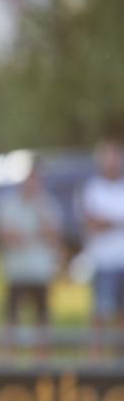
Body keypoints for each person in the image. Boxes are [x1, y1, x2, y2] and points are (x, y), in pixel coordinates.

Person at [0, 159, 62, 358]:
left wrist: (38, 212)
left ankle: (41, 361)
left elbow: (52, 234)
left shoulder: (47, 204)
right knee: (11, 317)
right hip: (16, 271)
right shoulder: (9, 204)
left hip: (40, 271)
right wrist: (33, 235)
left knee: (42, 319)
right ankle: (7, 359)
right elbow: (7, 235)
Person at [82, 139, 124, 357]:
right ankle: (95, 357)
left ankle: (119, 358)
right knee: (100, 313)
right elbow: (93, 222)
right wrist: (117, 222)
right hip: (103, 261)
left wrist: (109, 222)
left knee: (121, 314)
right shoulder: (93, 189)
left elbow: (103, 221)